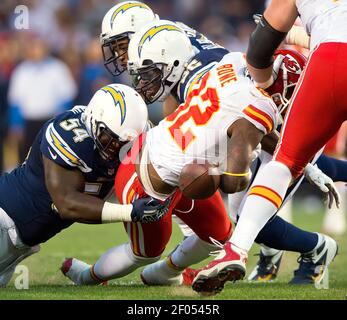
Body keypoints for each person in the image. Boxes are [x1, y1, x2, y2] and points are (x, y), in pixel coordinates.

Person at [60, 21, 337, 288]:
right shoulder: (261, 108)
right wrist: (223, 171)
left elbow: (247, 124)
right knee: (145, 252)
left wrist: (308, 167)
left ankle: (164, 274)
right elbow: (233, 180)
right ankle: (87, 276)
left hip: (177, 161)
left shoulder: (233, 63)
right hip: (144, 174)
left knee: (217, 236)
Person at [192, 0, 347, 294]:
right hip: (323, 52)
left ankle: (236, 249)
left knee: (285, 160)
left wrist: (264, 85)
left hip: (329, 58)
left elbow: (261, 43)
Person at [0, 83, 168, 287]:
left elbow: (88, 208)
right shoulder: (68, 135)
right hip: (5, 219)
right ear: (93, 121)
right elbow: (67, 205)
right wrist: (130, 212)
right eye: (111, 139)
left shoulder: (126, 139)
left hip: (21, 242)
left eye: (125, 143)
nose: (117, 148)